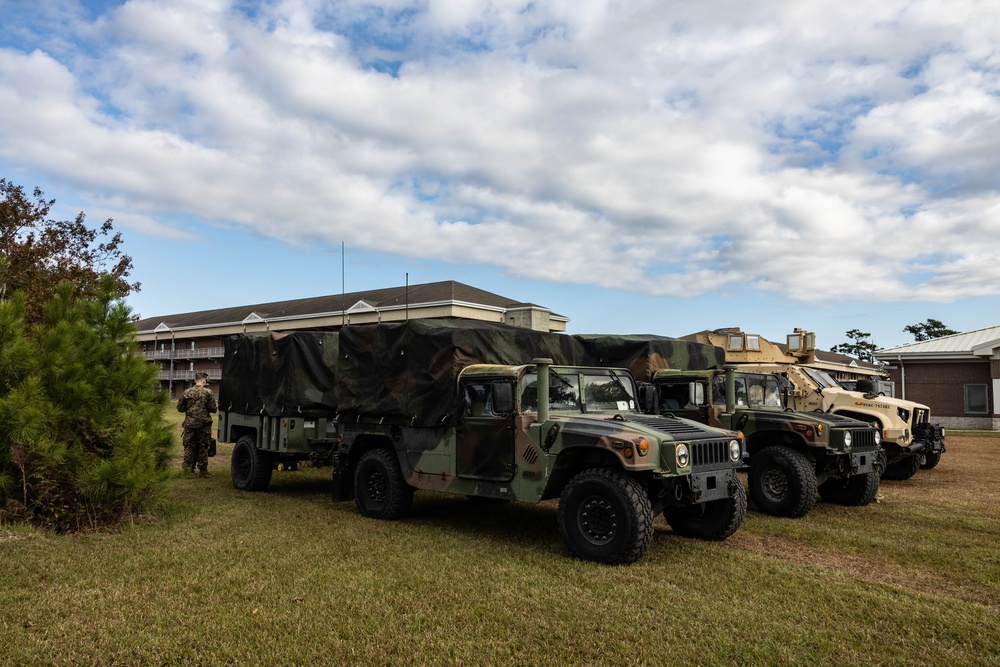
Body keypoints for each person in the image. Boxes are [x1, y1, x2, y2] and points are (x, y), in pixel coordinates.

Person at [177, 371, 218, 477]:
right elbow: (213, 409)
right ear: (204, 381)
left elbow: (180, 408)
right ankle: (203, 471)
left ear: (195, 381)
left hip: (189, 424)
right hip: (203, 425)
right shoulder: (208, 392)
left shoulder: (186, 392)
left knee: (189, 447)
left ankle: (188, 470)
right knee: (203, 446)